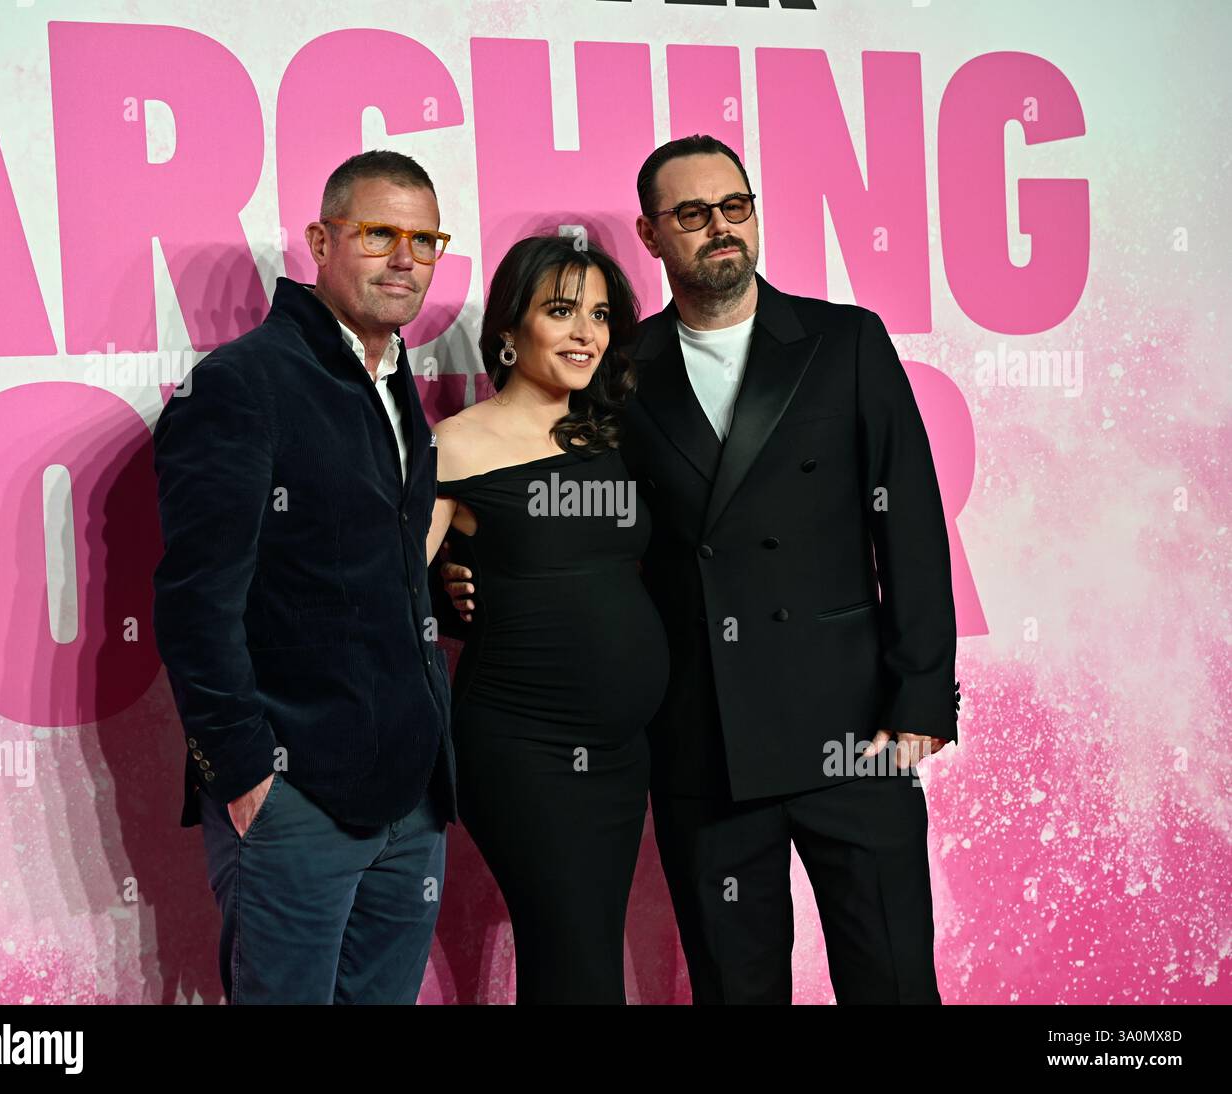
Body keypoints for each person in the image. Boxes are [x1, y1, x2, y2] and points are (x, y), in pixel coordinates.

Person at [441, 134, 962, 1004]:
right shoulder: (618, 371)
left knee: (897, 980)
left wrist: (922, 698)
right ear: (650, 236)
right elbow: (546, 512)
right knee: (736, 985)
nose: (719, 228)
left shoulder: (845, 340)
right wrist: (455, 583)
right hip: (704, 737)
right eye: (691, 214)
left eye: (735, 206)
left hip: (854, 731)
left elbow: (909, 525)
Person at [152, 150, 456, 1004]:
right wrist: (245, 773)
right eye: (380, 234)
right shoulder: (243, 386)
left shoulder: (399, 387)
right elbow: (195, 602)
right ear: (321, 241)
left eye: (425, 240)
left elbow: (372, 569)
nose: (405, 258)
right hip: (292, 797)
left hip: (412, 798)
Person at [424, 235, 669, 1004]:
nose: (585, 333)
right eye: (561, 311)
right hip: (522, 747)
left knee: (583, 952)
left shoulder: (612, 436)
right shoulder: (454, 445)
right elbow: (389, 587)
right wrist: (441, 588)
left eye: (598, 315)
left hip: (621, 753)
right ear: (509, 329)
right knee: (574, 956)